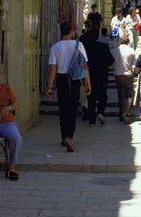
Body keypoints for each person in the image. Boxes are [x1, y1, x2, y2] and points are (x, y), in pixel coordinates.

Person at [46, 21, 91, 152]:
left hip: (62, 79)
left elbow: (53, 69)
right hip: (75, 79)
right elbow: (84, 66)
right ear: (71, 31)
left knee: (63, 108)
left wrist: (49, 86)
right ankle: (69, 137)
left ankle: (64, 136)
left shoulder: (55, 47)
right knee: (72, 108)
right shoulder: (79, 44)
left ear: (61, 31)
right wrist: (88, 83)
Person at [83, 26, 115, 126]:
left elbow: (83, 63)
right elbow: (111, 60)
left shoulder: (86, 48)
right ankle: (100, 112)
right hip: (102, 75)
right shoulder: (103, 46)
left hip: (90, 76)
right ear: (98, 36)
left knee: (91, 97)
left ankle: (92, 120)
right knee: (103, 95)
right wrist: (103, 64)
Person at [110, 36, 136, 123]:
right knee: (129, 95)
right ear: (128, 42)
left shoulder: (114, 51)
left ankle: (122, 115)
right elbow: (134, 64)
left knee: (121, 96)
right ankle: (127, 113)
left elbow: (112, 63)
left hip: (118, 75)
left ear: (120, 42)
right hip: (128, 75)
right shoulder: (132, 50)